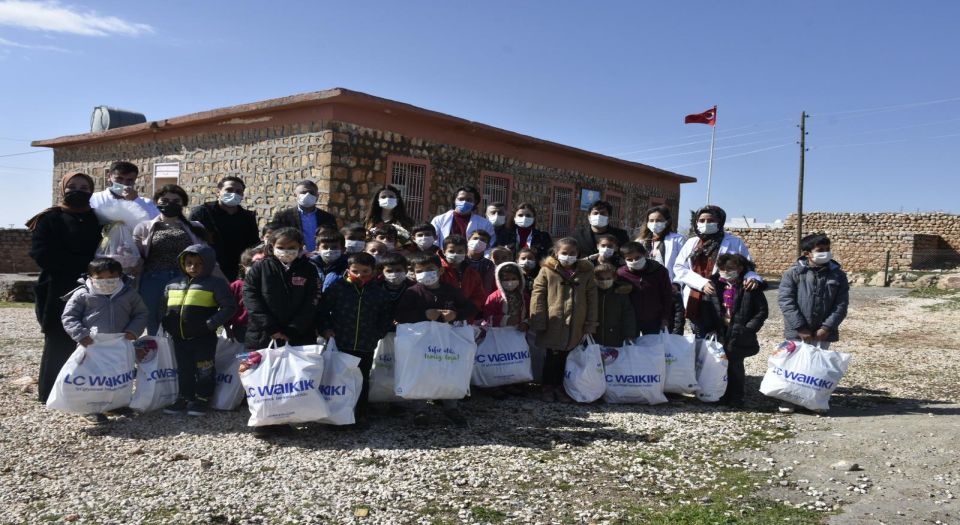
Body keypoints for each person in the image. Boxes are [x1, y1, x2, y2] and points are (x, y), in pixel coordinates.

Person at [27, 172, 103, 403]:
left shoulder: (97, 219)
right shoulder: (50, 218)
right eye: (72, 186)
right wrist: (82, 266)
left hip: (93, 286)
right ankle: (50, 392)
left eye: (83, 186)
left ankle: (83, 390)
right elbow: (41, 252)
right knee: (58, 336)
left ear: (91, 191)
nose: (77, 190)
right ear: (63, 189)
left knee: (91, 338)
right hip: (57, 286)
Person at [60, 258, 148, 424]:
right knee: (92, 377)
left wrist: (133, 331)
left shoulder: (129, 293)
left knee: (118, 375)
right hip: (91, 345)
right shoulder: (82, 294)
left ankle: (115, 403)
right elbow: (69, 317)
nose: (106, 282)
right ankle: (89, 408)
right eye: (100, 279)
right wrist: (80, 335)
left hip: (119, 345)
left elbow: (141, 313)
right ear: (90, 277)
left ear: (120, 276)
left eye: (111, 278)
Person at [395, 252, 479, 426]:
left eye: (430, 269)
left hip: (448, 341)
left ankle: (451, 406)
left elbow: (471, 308)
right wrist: (423, 314)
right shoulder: (412, 292)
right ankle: (420, 409)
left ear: (440, 271)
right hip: (421, 343)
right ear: (414, 272)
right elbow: (400, 315)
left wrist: (456, 314)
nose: (425, 273)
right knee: (421, 371)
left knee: (449, 369)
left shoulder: (451, 291)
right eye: (420, 270)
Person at [317, 252, 393, 424]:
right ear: (348, 270)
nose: (360, 275)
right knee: (338, 379)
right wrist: (326, 329)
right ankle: (337, 414)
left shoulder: (379, 293)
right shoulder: (337, 287)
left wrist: (377, 334)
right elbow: (322, 311)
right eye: (356, 271)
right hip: (340, 342)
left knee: (362, 378)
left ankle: (360, 414)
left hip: (366, 344)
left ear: (373, 271)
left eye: (365, 271)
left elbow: (385, 316)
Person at [161, 244, 237, 417]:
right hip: (179, 338)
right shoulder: (172, 284)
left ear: (208, 264)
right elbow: (162, 307)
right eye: (188, 263)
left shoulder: (215, 284)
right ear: (182, 263)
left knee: (205, 368)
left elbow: (229, 307)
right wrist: (166, 323)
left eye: (198, 264)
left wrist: (210, 324)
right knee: (184, 368)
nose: (193, 267)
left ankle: (203, 398)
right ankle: (185, 397)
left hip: (204, 337)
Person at [777, 233, 849, 413]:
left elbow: (841, 304)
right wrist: (800, 327)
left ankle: (813, 400)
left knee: (817, 367)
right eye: (820, 250)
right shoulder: (793, 273)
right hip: (797, 331)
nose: (825, 253)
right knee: (793, 366)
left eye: (827, 249)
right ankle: (788, 399)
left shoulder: (838, 275)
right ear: (807, 253)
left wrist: (827, 327)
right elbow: (786, 301)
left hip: (823, 332)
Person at [674, 205, 763, 337]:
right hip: (697, 297)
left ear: (720, 222)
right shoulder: (692, 243)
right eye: (702, 221)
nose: (705, 224)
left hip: (725, 296)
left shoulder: (734, 242)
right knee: (701, 337)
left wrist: (751, 277)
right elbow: (679, 267)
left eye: (710, 221)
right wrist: (701, 283)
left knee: (725, 337)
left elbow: (748, 266)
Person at [133, 185, 209, 335]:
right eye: (165, 200)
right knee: (152, 318)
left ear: (183, 203)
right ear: (156, 202)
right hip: (153, 278)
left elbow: (206, 254)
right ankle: (157, 352)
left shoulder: (195, 227)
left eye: (176, 200)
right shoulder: (143, 227)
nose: (170, 203)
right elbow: (136, 255)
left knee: (180, 317)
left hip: (183, 279)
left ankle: (176, 353)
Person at [529, 237, 598, 403]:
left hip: (576, 322)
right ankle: (547, 386)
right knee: (552, 357)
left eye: (572, 253)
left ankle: (561, 387)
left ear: (578, 254)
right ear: (556, 253)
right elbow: (538, 294)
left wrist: (590, 322)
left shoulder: (586, 273)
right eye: (564, 253)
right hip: (554, 321)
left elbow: (592, 298)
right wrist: (538, 319)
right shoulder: (547, 271)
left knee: (567, 357)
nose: (568, 256)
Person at [699, 254, 769, 409]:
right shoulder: (713, 285)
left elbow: (762, 311)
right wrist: (710, 327)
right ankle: (721, 394)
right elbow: (705, 308)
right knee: (719, 364)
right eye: (723, 269)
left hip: (740, 331)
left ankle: (737, 397)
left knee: (735, 365)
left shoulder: (750, 286)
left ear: (740, 269)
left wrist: (749, 328)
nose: (726, 272)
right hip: (719, 331)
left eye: (730, 269)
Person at [188, 176, 259, 281]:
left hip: (239, 273)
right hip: (208, 270)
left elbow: (253, 244)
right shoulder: (202, 213)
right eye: (229, 190)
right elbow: (191, 242)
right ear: (218, 192)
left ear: (242, 195)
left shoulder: (247, 217)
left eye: (238, 191)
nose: (234, 194)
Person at [636, 205, 688, 335]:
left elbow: (684, 264)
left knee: (668, 328)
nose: (655, 224)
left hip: (669, 289)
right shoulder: (640, 241)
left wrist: (676, 283)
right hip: (646, 291)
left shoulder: (678, 240)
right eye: (651, 220)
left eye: (659, 220)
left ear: (667, 221)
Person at [617, 242, 674, 336]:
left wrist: (665, 318)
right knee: (631, 348)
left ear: (645, 254)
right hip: (630, 321)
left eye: (637, 257)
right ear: (624, 260)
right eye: (629, 259)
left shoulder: (659, 271)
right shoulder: (620, 274)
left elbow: (667, 295)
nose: (634, 261)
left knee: (653, 348)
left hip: (654, 319)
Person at [271, 180, 338, 253]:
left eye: (311, 193)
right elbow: (275, 239)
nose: (307, 195)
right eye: (303, 192)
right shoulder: (282, 217)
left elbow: (335, 238)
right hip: (293, 258)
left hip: (321, 259)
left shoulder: (328, 218)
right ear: (295, 195)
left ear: (317, 196)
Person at [429, 185, 496, 248]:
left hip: (472, 259)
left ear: (475, 202)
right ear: (454, 200)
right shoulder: (439, 220)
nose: (464, 202)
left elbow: (489, 245)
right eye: (461, 199)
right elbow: (434, 242)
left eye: (469, 200)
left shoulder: (485, 224)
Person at [89, 161, 160, 219]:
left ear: (135, 180)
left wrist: (136, 201)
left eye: (129, 180)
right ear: (109, 177)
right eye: (119, 179)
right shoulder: (95, 199)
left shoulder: (145, 202)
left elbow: (154, 220)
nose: (124, 183)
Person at [439, 234, 488, 316]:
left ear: (466, 252)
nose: (455, 254)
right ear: (444, 252)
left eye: (460, 251)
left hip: (465, 318)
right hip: (443, 317)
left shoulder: (473, 274)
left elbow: (479, 296)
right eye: (451, 251)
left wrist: (469, 310)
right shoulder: (438, 271)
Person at [593, 263, 636, 348]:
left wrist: (629, 335)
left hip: (616, 337)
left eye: (608, 278)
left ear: (614, 278)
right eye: (601, 279)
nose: (604, 281)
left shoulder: (621, 293)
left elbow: (628, 315)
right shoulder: (592, 293)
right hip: (594, 337)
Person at [225, 247, 257, 343]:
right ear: (243, 267)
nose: (256, 268)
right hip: (242, 328)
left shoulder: (266, 285)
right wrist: (227, 327)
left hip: (262, 326)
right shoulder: (236, 285)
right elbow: (227, 307)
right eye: (252, 265)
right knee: (248, 354)